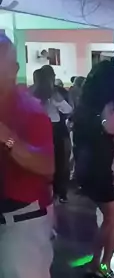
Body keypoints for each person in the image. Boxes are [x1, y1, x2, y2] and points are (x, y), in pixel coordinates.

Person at [0, 36, 55, 278]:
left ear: (13, 69)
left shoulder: (30, 111)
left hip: (24, 219)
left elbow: (46, 166)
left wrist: (5, 137)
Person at [72, 61, 114, 278]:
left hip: (92, 169)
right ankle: (103, 266)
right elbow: (110, 127)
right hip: (105, 169)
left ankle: (96, 264)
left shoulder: (85, 106)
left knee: (110, 219)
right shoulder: (106, 105)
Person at [32, 65, 72, 203]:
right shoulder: (54, 92)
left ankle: (50, 191)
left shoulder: (33, 92)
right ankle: (59, 192)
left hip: (43, 129)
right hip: (54, 130)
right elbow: (68, 110)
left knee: (49, 160)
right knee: (59, 162)